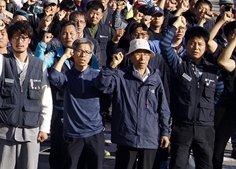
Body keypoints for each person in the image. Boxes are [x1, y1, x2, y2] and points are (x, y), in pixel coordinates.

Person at [0, 20, 52, 169]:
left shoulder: (39, 65)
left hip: (31, 130)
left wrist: (44, 127)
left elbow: (46, 99)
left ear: (29, 40)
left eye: (24, 38)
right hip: (4, 130)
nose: (20, 41)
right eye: (16, 37)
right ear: (10, 40)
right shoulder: (1, 61)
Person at [95, 39, 171, 169]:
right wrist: (112, 65)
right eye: (138, 53)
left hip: (150, 137)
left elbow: (163, 107)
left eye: (146, 54)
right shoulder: (120, 76)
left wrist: (165, 132)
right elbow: (103, 86)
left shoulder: (155, 77)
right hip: (126, 137)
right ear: (130, 56)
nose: (142, 58)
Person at [161, 17, 220, 169]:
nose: (196, 47)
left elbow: (218, 95)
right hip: (182, 126)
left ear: (206, 47)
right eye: (192, 43)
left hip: (205, 128)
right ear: (186, 44)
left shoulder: (213, 70)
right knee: (177, 164)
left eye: (200, 44)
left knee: (206, 165)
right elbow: (164, 46)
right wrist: (175, 25)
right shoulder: (179, 65)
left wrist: (206, 111)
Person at [48, 38, 105, 169]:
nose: (83, 55)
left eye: (87, 52)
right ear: (73, 53)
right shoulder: (67, 75)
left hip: (94, 132)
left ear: (91, 56)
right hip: (72, 133)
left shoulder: (97, 76)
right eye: (79, 51)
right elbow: (53, 77)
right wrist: (63, 57)